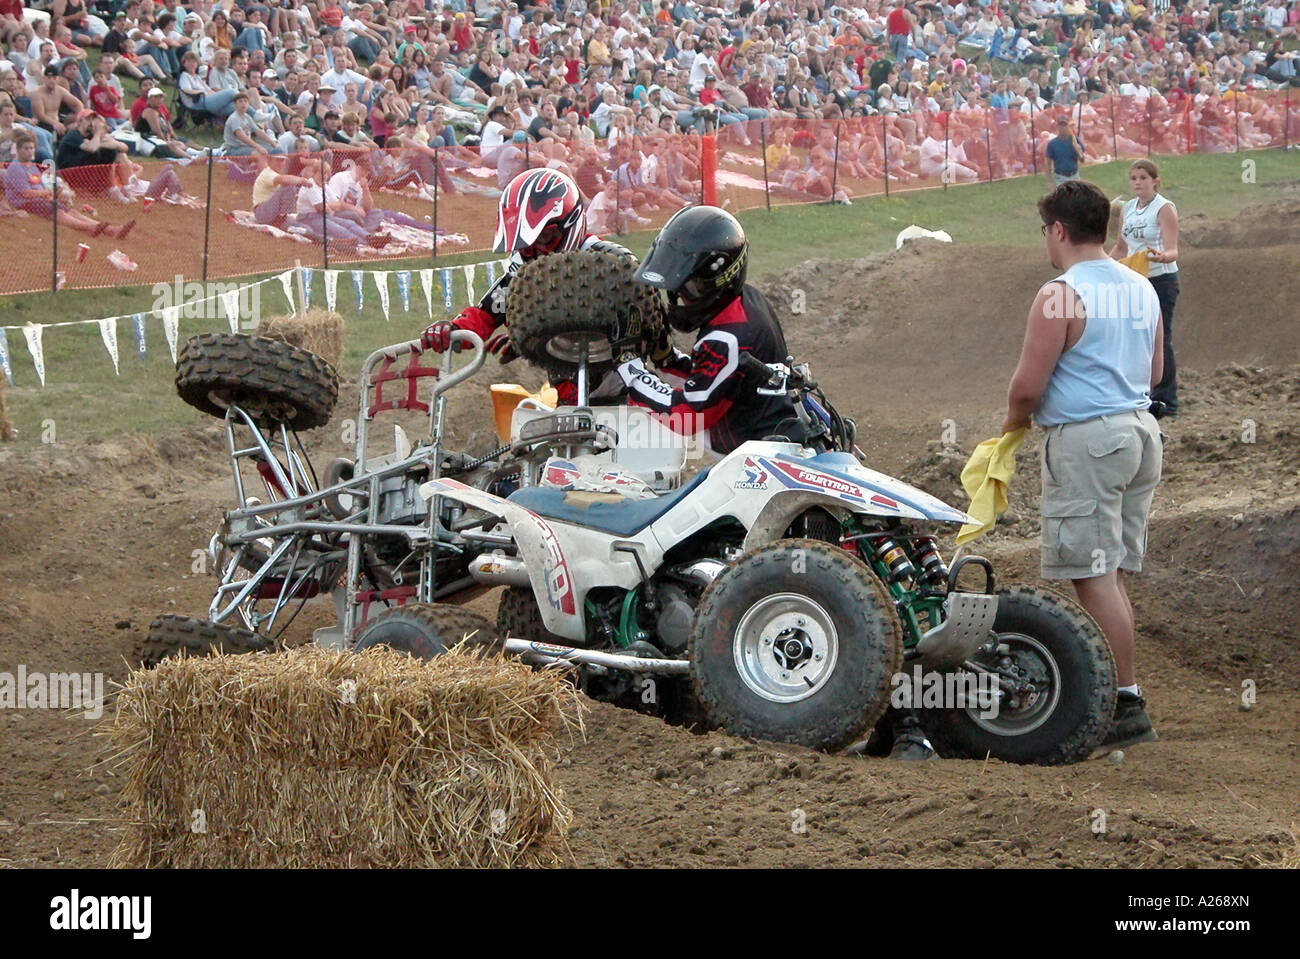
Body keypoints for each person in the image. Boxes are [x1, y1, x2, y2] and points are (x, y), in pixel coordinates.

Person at [1002, 179, 1164, 752]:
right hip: (1141, 434)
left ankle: (1124, 702)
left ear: (1059, 230)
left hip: (1089, 441)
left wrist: (1007, 435)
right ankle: (1123, 694)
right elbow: (1154, 372)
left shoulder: (1060, 294)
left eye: (1045, 231)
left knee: (1094, 576)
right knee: (1111, 570)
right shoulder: (1140, 285)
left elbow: (1027, 387)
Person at [622, 206, 805, 456]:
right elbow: (719, 374)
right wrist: (669, 359)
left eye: (691, 288)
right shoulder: (748, 300)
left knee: (640, 424)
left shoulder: (728, 337)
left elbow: (686, 417)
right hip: (770, 420)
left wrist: (631, 376)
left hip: (749, 450)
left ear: (721, 281)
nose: (681, 298)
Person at [419, 168, 630, 379]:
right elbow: (484, 317)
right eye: (526, 245)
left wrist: (531, 337)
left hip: (624, 379)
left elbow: (641, 308)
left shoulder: (605, 260)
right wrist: (451, 329)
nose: (536, 251)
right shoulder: (524, 274)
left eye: (545, 238)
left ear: (570, 224)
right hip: (570, 391)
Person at [1110, 159, 1180, 418]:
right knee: (1133, 336)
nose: (1138, 182)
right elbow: (1120, 247)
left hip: (1161, 279)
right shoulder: (1127, 208)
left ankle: (1167, 400)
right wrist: (1100, 265)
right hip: (1134, 279)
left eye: (1143, 177)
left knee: (1160, 338)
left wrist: (1162, 255)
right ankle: (1140, 393)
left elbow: (1173, 250)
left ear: (1154, 181)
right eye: (1134, 178)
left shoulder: (1164, 208)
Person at [1045, 115, 1085, 186]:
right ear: (1057, 127)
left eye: (1065, 125)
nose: (1063, 128)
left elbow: (1082, 160)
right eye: (1060, 125)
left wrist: (1078, 151)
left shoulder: (1075, 140)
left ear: (1068, 126)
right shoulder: (1052, 144)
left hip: (1074, 176)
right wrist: (1050, 182)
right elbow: (1048, 164)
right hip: (1060, 178)